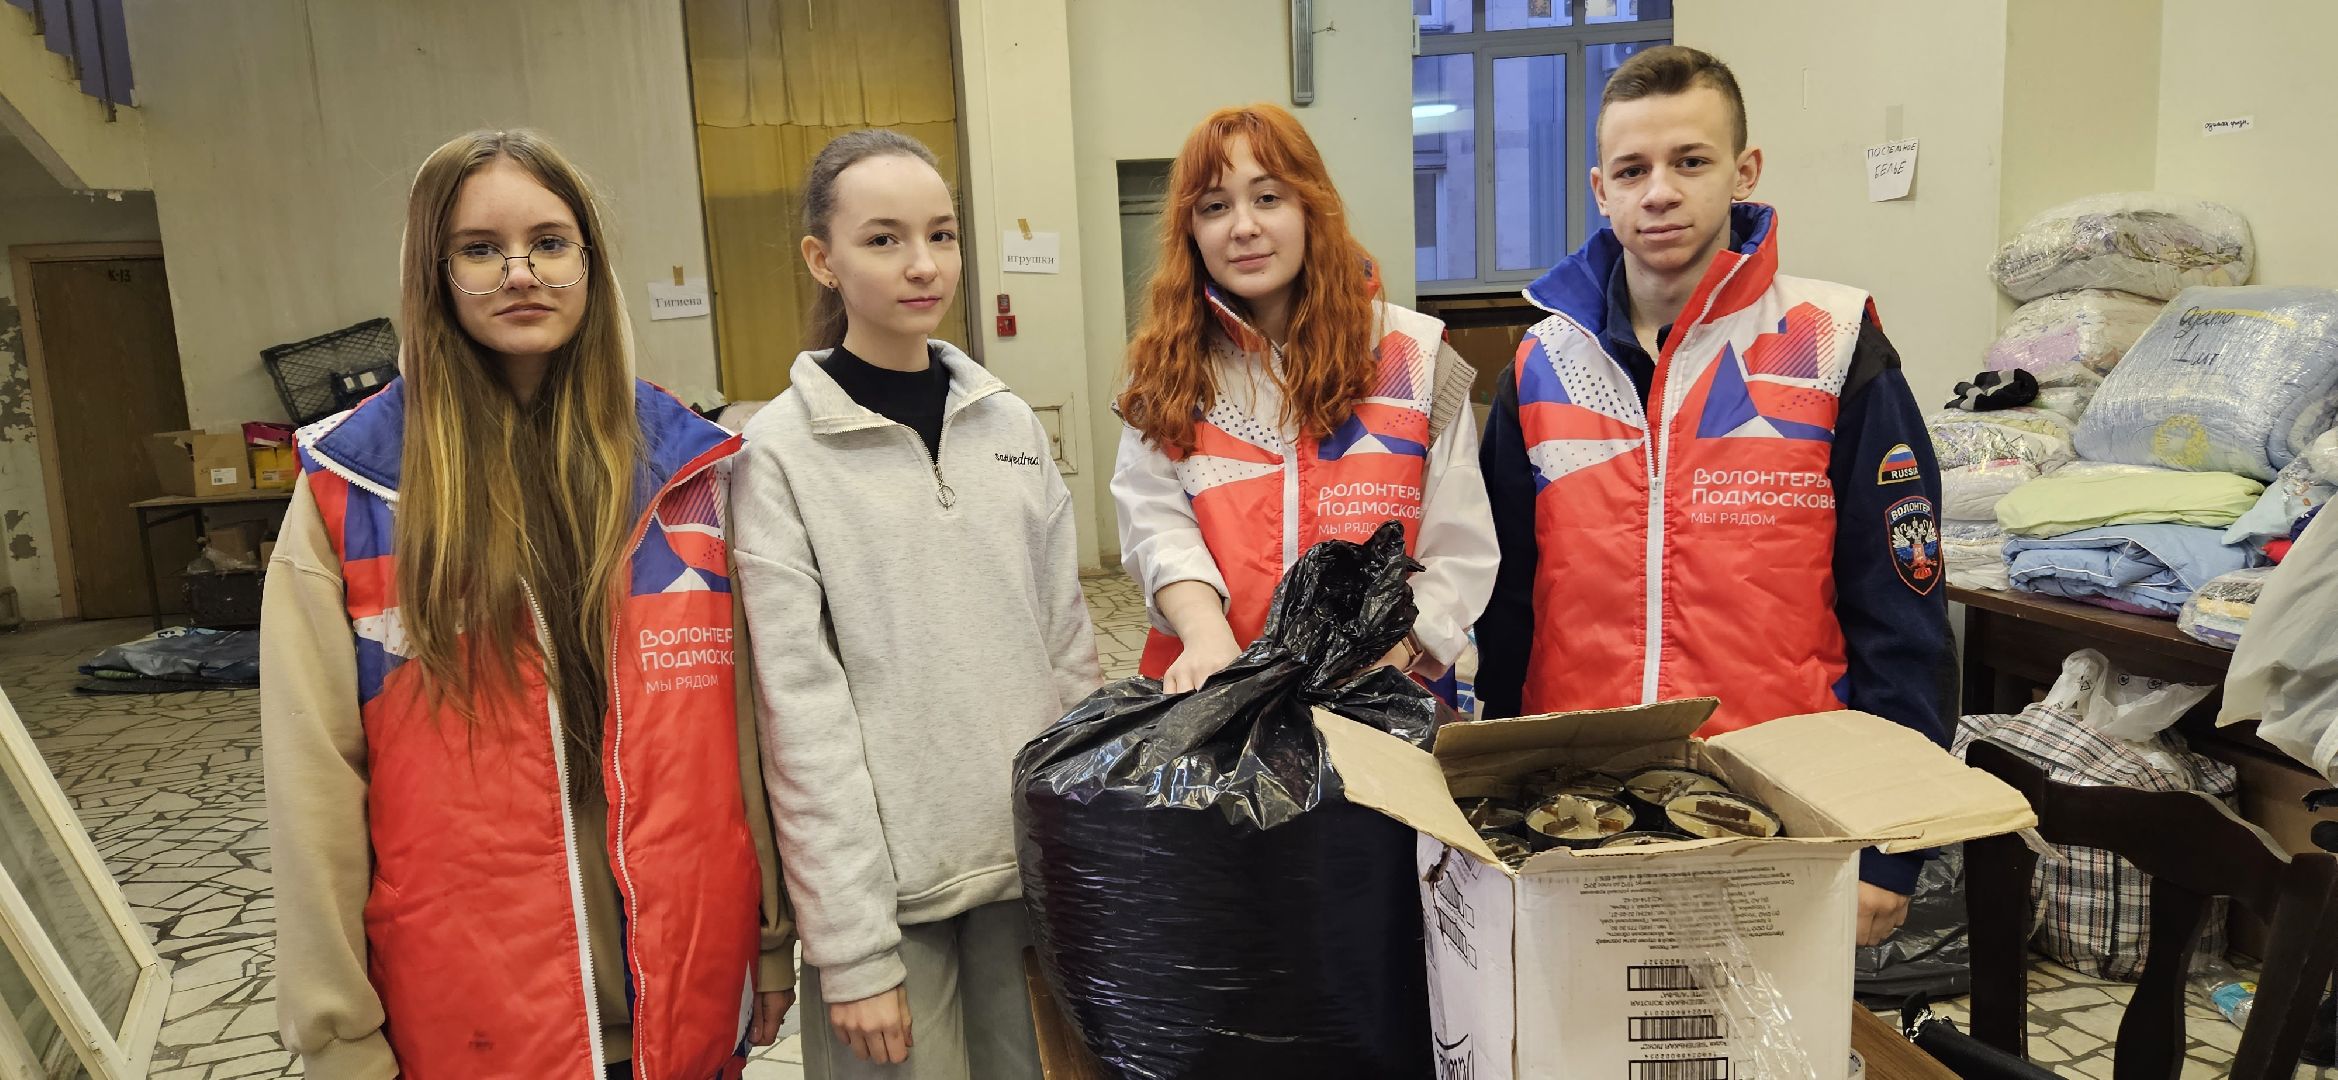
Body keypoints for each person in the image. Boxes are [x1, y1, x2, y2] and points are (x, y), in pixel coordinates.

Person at [263, 129, 794, 1080]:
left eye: (550, 243)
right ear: (434, 274)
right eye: (480, 249)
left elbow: (743, 728)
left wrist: (766, 936)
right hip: (477, 1014)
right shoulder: (354, 491)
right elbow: (313, 785)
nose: (521, 273)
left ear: (590, 261)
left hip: (683, 991)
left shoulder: (687, 470)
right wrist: (336, 1030)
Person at [1475, 45, 1955, 948]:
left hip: (1785, 808)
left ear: (1745, 171)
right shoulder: (1543, 364)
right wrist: (1492, 799)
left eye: (1690, 161)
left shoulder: (1831, 342)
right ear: (1600, 190)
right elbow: (1503, 610)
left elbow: (1902, 611)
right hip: (1577, 810)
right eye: (1632, 170)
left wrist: (1894, 842)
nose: (1660, 192)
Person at [730, 129, 1100, 1080]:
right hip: (891, 905)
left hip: (1031, 876)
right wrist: (851, 950)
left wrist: (1084, 852)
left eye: (941, 234)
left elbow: (1067, 654)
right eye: (884, 239)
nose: (923, 264)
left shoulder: (1009, 424)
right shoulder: (779, 455)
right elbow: (799, 717)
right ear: (824, 260)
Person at [1113, 103, 1496, 695]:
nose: (1243, 226)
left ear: (1311, 206)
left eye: (1268, 198)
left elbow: (1459, 548)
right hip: (1216, 693)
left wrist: (1390, 651)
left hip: (1384, 695)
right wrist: (1205, 635)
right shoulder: (1167, 369)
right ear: (1191, 231)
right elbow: (1155, 523)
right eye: (1215, 206)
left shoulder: (1417, 357)